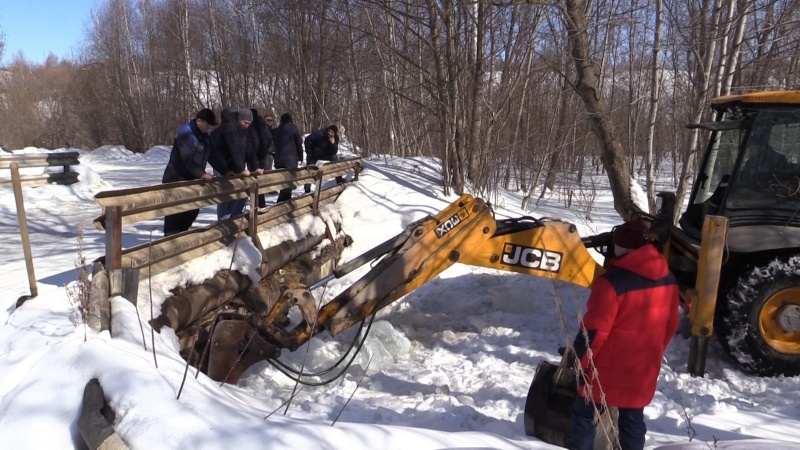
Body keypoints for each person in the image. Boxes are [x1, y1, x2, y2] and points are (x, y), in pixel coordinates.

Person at [568, 220, 680, 450]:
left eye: (616, 244)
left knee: (584, 415)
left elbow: (595, 332)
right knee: (632, 419)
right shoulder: (668, 279)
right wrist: (654, 353)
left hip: (606, 370)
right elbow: (670, 325)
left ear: (624, 248)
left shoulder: (612, 283)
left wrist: (579, 362)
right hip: (642, 367)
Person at [161, 108, 217, 236]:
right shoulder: (185, 133)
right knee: (175, 214)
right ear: (199, 121)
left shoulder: (205, 137)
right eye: (207, 125)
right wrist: (202, 174)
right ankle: (170, 242)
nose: (208, 128)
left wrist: (226, 170)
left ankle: (182, 238)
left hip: (192, 180)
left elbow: (213, 156)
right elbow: (188, 158)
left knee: (192, 211)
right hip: (177, 179)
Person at [208, 108, 253, 220]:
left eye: (249, 124)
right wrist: (241, 169)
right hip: (222, 166)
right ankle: (224, 222)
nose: (246, 126)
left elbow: (247, 150)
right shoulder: (230, 128)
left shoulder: (241, 129)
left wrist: (255, 166)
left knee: (239, 193)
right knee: (226, 195)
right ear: (239, 119)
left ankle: (234, 219)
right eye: (245, 122)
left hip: (233, 166)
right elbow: (234, 149)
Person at [270, 113, 304, 203]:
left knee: (283, 182)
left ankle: (284, 203)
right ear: (290, 120)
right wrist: (300, 156)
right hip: (290, 160)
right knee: (288, 183)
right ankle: (282, 204)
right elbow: (299, 143)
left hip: (279, 160)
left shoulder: (276, 130)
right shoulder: (293, 129)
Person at [245, 108, 272, 210]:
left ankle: (256, 203)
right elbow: (269, 139)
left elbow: (250, 143)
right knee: (260, 179)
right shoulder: (263, 125)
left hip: (253, 156)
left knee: (253, 179)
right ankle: (261, 203)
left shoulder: (251, 127)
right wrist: (264, 151)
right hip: (262, 156)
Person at [303, 124, 344, 193]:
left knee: (334, 158)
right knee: (310, 169)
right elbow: (307, 139)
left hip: (325, 154)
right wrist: (309, 152)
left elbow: (334, 152)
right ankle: (307, 190)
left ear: (334, 134)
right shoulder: (320, 133)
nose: (329, 133)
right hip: (313, 154)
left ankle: (339, 179)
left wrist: (333, 144)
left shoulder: (335, 138)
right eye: (329, 131)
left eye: (332, 132)